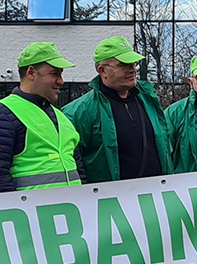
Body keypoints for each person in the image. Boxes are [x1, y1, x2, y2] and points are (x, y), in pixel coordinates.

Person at [63, 36, 173, 183]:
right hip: (111, 201)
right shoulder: (78, 111)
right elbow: (73, 162)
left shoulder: (149, 99)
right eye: (123, 65)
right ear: (102, 71)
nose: (132, 70)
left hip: (154, 197)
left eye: (133, 64)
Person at [0, 42, 80, 194]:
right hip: (32, 216)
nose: (61, 81)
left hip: (69, 213)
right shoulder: (0, 115)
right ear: (31, 73)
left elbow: (78, 169)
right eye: (55, 74)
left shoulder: (61, 116)